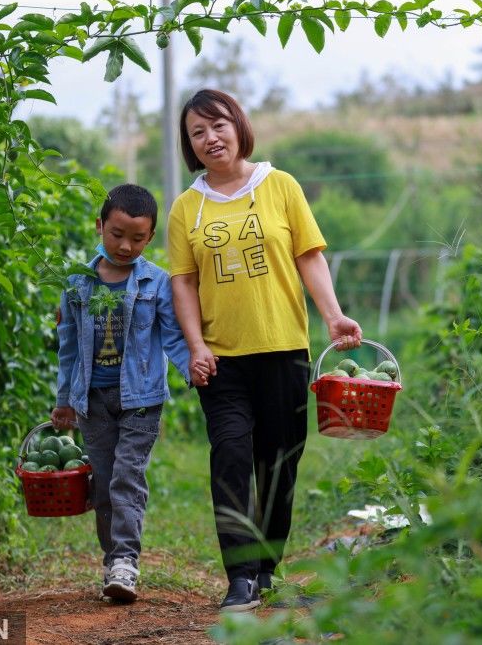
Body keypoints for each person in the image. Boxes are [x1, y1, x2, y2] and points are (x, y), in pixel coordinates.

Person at [167, 89, 362, 612]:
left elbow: (309, 257)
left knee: (279, 464)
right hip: (221, 360)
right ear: (189, 145)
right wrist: (194, 345)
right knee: (230, 457)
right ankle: (241, 575)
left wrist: (333, 316)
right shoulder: (187, 208)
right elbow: (183, 284)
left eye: (218, 125)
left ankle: (267, 566)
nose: (210, 139)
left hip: (283, 350)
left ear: (239, 126)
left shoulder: (280, 187)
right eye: (197, 133)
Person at [52, 183, 195, 603]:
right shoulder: (77, 283)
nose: (126, 246)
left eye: (137, 238)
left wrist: (195, 371)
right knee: (102, 483)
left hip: (141, 400)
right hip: (92, 402)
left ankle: (125, 563)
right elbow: (66, 347)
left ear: (150, 238)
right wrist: (63, 401)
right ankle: (112, 559)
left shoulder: (157, 282)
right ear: (99, 226)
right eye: (116, 234)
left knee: (126, 477)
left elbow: (171, 337)